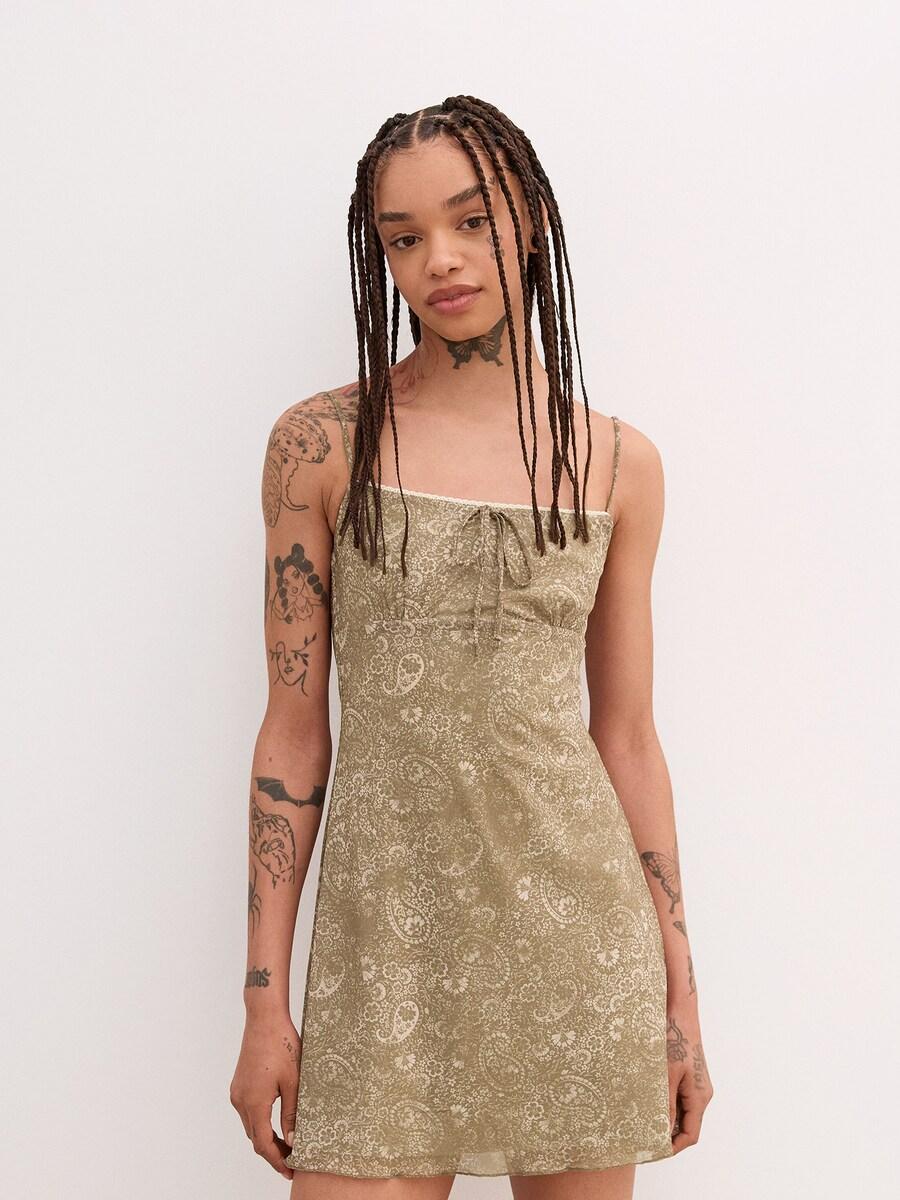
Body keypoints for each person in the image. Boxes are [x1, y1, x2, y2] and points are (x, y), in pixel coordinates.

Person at [230, 95, 713, 1199]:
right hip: (384, 947)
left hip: (577, 945)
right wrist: (264, 1004)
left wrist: (680, 996)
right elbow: (294, 734)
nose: (439, 259)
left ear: (529, 219)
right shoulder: (321, 444)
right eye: (403, 238)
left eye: (471, 220)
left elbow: (628, 738)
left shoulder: (617, 465)